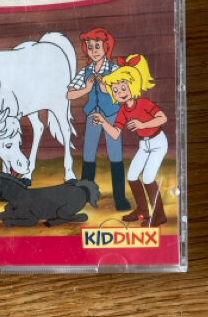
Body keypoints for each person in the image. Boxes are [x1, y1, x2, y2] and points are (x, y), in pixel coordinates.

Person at [89, 53, 168, 226]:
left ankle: (159, 215)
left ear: (133, 85)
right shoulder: (123, 110)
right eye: (116, 90)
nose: (120, 93)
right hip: (144, 144)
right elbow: (115, 133)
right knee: (132, 176)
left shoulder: (144, 103)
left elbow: (162, 118)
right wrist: (103, 121)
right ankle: (143, 210)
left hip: (158, 142)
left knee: (148, 178)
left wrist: (142, 124)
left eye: (123, 87)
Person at [67, 28, 131, 211]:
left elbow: (123, 93)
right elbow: (70, 94)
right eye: (90, 47)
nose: (93, 50)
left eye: (97, 46)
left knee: (115, 156)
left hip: (111, 115)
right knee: (88, 154)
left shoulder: (114, 69)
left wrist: (107, 89)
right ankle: (84, 196)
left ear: (106, 47)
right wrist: (86, 89)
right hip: (93, 116)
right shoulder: (86, 70)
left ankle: (120, 198)